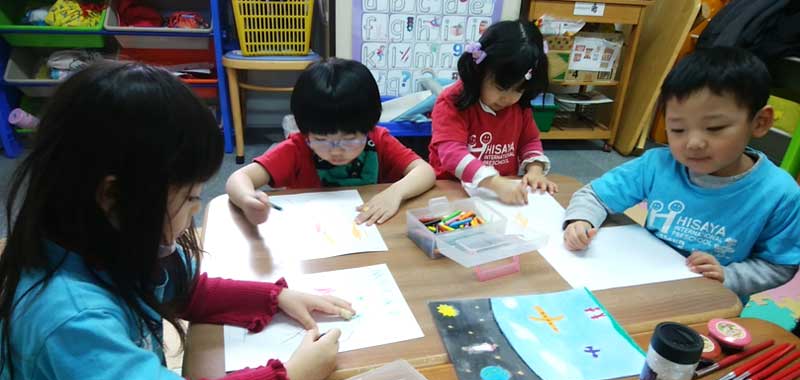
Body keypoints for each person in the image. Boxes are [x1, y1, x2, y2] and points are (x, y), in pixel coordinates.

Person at [0, 62, 354, 380]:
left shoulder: (109, 237)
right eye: (189, 199)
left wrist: (276, 297)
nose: (196, 210)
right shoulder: (72, 317)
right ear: (113, 195)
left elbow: (187, 290)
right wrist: (290, 377)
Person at [563, 47, 800, 300]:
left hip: (710, 301)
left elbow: (780, 265)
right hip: (642, 282)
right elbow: (596, 195)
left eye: (714, 128)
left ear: (760, 122)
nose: (693, 143)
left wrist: (728, 276)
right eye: (677, 129)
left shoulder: (780, 194)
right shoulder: (657, 164)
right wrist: (581, 221)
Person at [226, 58, 435, 226]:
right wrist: (247, 199)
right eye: (321, 139)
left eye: (350, 139)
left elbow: (424, 171)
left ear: (368, 127)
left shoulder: (378, 140)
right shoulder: (296, 149)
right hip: (313, 234)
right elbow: (239, 178)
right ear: (305, 132)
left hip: (367, 231)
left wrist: (395, 193)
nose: (337, 150)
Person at [429, 20, 557, 205]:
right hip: (452, 190)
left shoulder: (519, 105)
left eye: (518, 90)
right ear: (480, 71)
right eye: (500, 88)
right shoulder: (453, 101)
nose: (508, 98)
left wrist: (535, 170)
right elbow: (451, 153)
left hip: (503, 193)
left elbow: (529, 141)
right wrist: (494, 182)